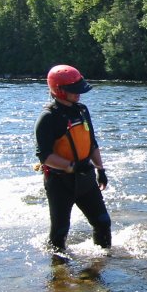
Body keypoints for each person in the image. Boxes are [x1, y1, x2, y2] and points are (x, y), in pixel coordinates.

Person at [35, 64, 112, 251]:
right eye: (73, 90)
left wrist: (101, 169)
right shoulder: (48, 118)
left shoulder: (82, 111)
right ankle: (58, 275)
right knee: (59, 233)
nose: (78, 94)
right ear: (59, 90)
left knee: (103, 223)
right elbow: (44, 156)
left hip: (85, 176)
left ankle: (102, 267)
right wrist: (70, 166)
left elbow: (92, 143)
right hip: (60, 182)